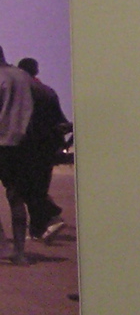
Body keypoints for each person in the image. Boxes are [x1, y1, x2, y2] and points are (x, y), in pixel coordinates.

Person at [16, 58, 72, 241]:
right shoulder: (47, 91)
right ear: (36, 71)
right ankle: (39, 228)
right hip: (47, 149)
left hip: (26, 147)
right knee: (38, 188)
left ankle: (51, 217)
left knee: (23, 188)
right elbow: (61, 122)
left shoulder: (20, 91)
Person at [0, 46, 35, 264]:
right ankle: (19, 252)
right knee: (16, 197)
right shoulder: (23, 77)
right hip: (20, 144)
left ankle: (3, 246)